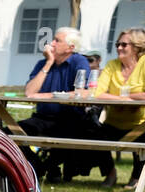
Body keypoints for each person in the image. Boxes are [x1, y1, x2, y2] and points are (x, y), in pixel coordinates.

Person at [89, 28, 145, 189]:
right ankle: (110, 173)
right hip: (114, 123)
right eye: (117, 44)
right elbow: (98, 94)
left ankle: (136, 177)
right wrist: (125, 98)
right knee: (90, 132)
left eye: (124, 44)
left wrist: (127, 98)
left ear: (137, 46)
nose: (119, 48)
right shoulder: (112, 64)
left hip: (142, 123)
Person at [20, 26, 94, 182]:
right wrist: (48, 63)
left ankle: (45, 168)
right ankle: (39, 167)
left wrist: (47, 96)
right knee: (7, 133)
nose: (52, 43)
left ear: (70, 47)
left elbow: (81, 92)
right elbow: (29, 92)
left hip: (69, 118)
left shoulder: (79, 61)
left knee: (70, 135)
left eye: (57, 40)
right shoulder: (43, 63)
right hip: (41, 118)